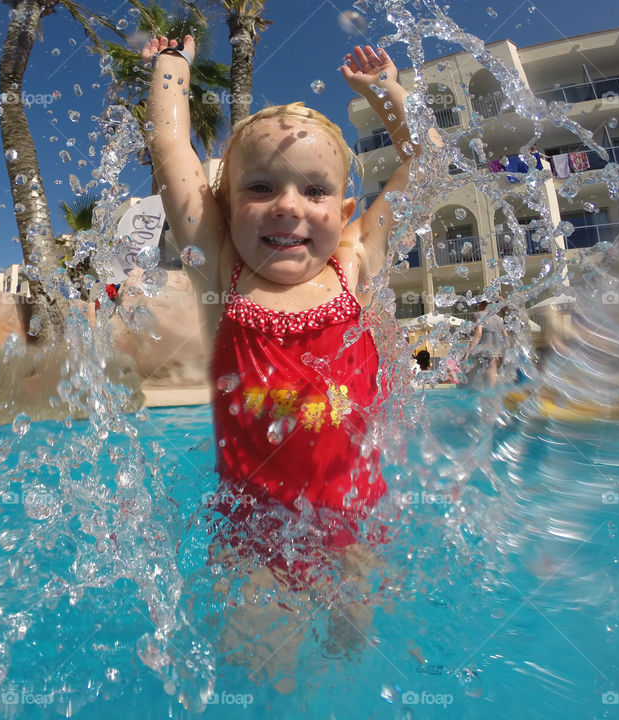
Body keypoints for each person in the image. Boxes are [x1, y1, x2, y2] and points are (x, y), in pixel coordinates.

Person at [143, 36, 431, 687]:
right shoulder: (221, 270)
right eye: (261, 187)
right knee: (270, 682)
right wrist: (170, 66)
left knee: (352, 666)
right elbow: (170, 149)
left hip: (358, 534)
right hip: (254, 549)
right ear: (221, 205)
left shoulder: (353, 262)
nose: (289, 206)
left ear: (346, 212)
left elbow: (426, 163)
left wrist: (388, 94)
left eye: (315, 190)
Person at [466, 301, 508, 387]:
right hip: (497, 352)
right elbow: (506, 337)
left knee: (471, 381)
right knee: (491, 380)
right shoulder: (498, 318)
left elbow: (478, 334)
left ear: (480, 305)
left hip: (483, 351)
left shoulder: (478, 315)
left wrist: (467, 353)